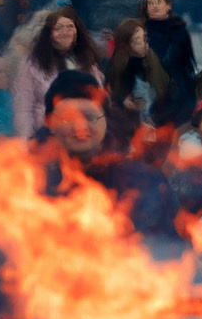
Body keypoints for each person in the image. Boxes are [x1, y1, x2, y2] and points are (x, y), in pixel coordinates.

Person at [41, 73, 178, 253]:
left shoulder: (143, 180)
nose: (80, 129)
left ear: (105, 119)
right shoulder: (27, 181)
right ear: (49, 122)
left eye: (90, 117)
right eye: (68, 119)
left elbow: (171, 247)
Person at [10, 7, 102, 139]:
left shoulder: (87, 60)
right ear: (49, 33)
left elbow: (99, 99)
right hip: (48, 134)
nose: (65, 32)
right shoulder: (32, 64)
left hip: (84, 133)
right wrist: (27, 141)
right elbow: (23, 106)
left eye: (70, 27)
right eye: (58, 28)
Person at [107, 17, 177, 137]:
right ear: (125, 45)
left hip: (158, 125)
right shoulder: (116, 69)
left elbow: (168, 95)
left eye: (144, 38)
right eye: (136, 40)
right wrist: (123, 102)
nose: (143, 44)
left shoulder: (155, 64)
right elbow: (110, 98)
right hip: (127, 129)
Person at [140, 0, 198, 112]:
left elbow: (188, 62)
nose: (155, 6)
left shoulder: (179, 29)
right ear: (146, 8)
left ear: (168, 5)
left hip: (180, 86)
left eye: (158, 2)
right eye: (150, 3)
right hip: (152, 87)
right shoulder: (141, 32)